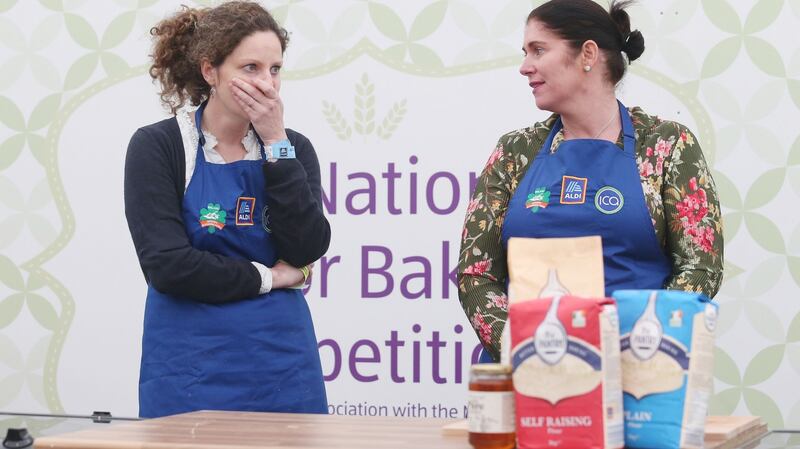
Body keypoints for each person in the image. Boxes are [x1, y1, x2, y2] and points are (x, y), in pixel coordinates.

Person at [458, 0, 723, 362]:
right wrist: (530, 352)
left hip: (639, 375)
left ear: (587, 54)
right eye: (525, 52)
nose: (525, 67)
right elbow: (476, 274)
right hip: (526, 375)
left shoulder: (667, 145)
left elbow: (700, 267)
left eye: (539, 50)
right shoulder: (513, 152)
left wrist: (634, 351)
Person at [123, 1, 330, 417]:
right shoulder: (159, 147)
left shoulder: (294, 148)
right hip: (190, 369)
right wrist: (270, 277)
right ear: (209, 71)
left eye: (275, 69)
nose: (267, 85)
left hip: (282, 366)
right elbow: (168, 265)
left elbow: (307, 246)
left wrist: (276, 142)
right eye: (250, 68)